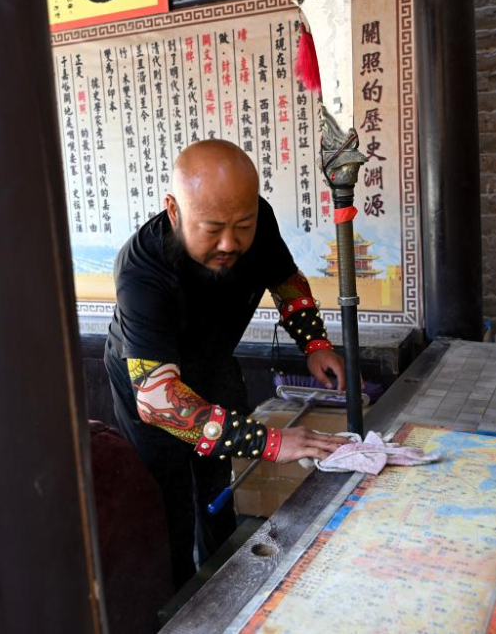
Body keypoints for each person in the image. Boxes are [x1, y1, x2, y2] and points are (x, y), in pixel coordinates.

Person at [104, 139, 351, 587]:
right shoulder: (141, 269)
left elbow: (286, 279)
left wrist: (315, 343)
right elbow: (159, 401)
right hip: (149, 383)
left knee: (218, 482)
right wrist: (273, 442)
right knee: (170, 498)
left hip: (213, 359)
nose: (229, 243)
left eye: (243, 226)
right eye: (212, 228)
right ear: (174, 210)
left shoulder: (257, 219)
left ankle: (223, 579)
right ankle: (180, 599)